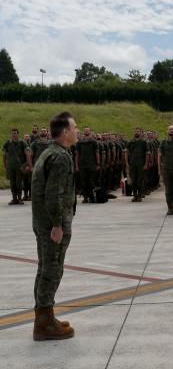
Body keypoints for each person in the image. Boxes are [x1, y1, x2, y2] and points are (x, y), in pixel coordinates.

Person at [31, 111, 78, 341]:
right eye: (74, 128)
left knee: (45, 268)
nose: (77, 131)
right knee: (52, 270)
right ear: (65, 132)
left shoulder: (48, 152)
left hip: (42, 222)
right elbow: (53, 194)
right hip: (52, 224)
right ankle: (44, 324)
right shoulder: (60, 157)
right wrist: (58, 224)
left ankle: (45, 316)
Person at [2, 128, 32, 205]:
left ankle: (19, 198)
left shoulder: (22, 142)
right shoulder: (7, 143)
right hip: (10, 167)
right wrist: (5, 165)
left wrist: (28, 164)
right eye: (12, 133)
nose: (13, 135)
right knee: (12, 183)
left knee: (19, 183)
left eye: (15, 133)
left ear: (18, 134)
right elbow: (4, 155)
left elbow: (27, 153)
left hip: (20, 167)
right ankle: (14, 198)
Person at [75, 127, 100, 203]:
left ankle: (92, 197)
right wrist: (76, 165)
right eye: (85, 130)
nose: (86, 131)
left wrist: (98, 164)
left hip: (92, 164)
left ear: (90, 131)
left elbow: (97, 153)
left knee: (91, 181)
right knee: (83, 182)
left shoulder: (94, 142)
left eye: (87, 130)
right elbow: (77, 154)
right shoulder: (80, 142)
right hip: (82, 165)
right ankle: (85, 197)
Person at [125, 128, 150, 202]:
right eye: (135, 131)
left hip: (141, 164)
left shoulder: (143, 142)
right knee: (133, 180)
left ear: (140, 133)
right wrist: (127, 162)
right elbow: (126, 152)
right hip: (132, 164)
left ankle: (139, 195)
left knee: (140, 180)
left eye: (138, 131)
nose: (136, 132)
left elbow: (147, 153)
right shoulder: (130, 142)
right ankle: (135, 195)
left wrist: (146, 164)